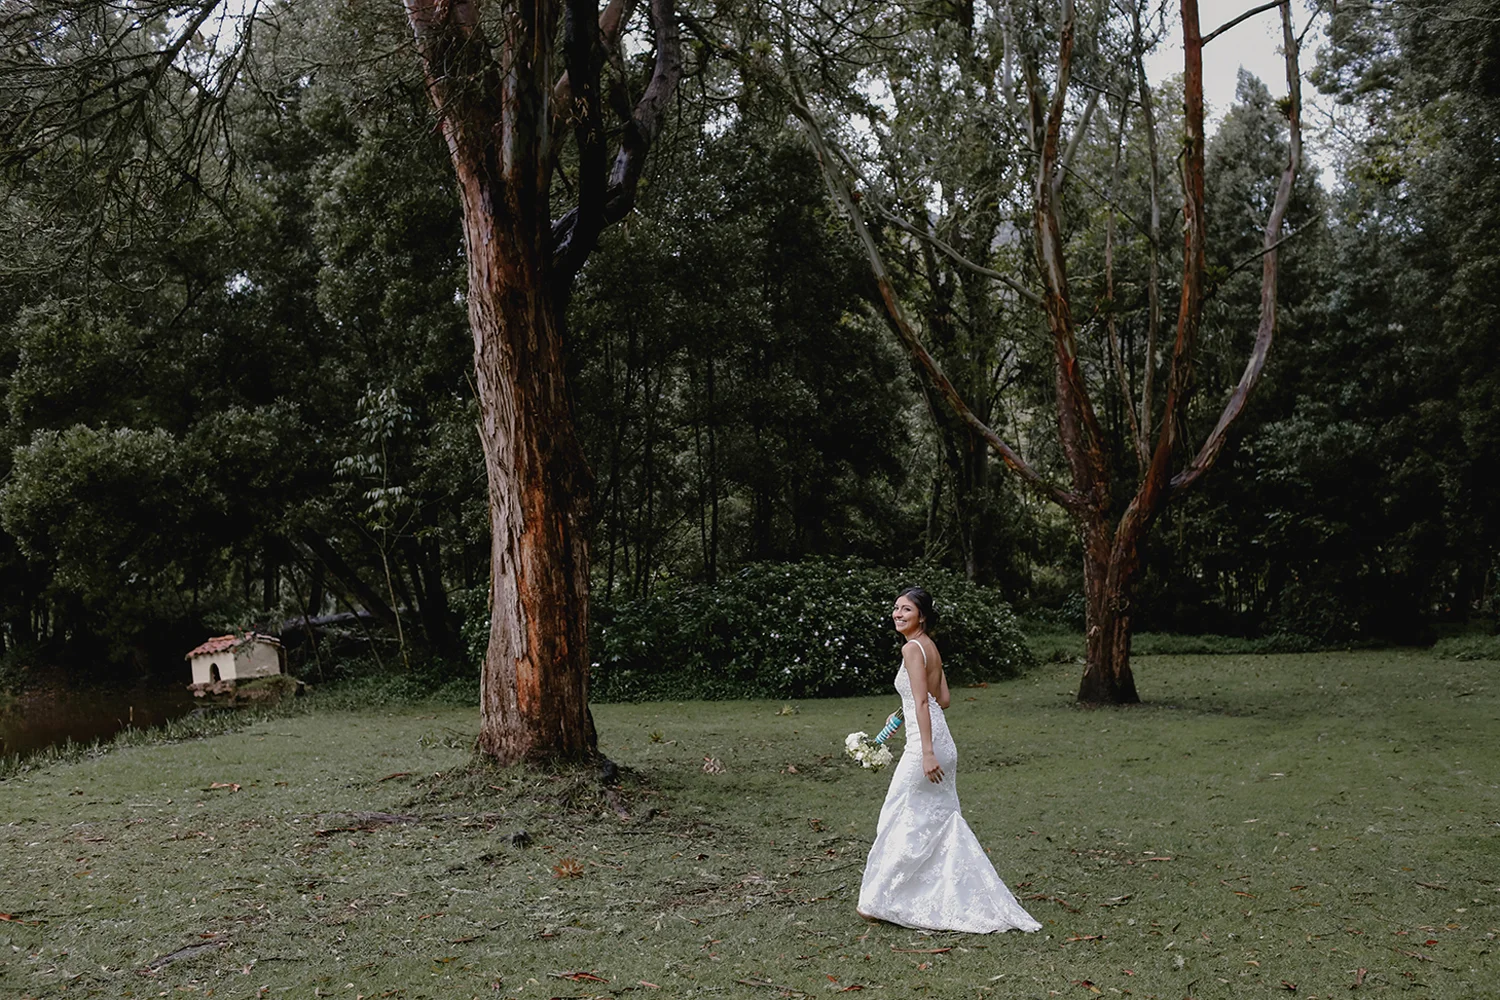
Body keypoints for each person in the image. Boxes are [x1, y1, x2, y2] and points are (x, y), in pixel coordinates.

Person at [855, 586, 1041, 934]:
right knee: (936, 821)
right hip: (943, 743)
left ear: (921, 616)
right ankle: (928, 894)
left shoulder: (911, 648)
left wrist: (926, 752)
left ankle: (881, 900)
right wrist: (902, 712)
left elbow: (924, 702)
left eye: (906, 610)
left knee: (898, 814)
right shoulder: (930, 646)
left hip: (926, 747)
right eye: (896, 608)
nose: (898, 614)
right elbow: (943, 698)